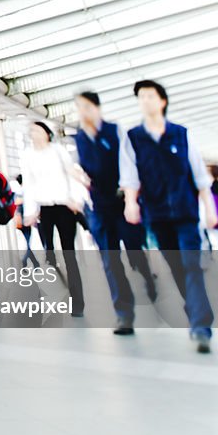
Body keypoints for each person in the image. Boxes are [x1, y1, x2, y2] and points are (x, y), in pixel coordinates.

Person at [120, 79, 218, 353]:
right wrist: (131, 203)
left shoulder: (181, 134)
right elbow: (129, 175)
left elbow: (199, 175)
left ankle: (200, 325)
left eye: (150, 96)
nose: (145, 101)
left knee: (191, 265)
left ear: (162, 101)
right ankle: (196, 309)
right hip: (158, 214)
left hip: (186, 212)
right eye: (141, 97)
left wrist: (210, 209)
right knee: (176, 266)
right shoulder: (133, 138)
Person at [73, 90, 158, 336]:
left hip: (121, 202)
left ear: (97, 108)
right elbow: (86, 169)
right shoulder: (79, 137)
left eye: (87, 107)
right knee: (110, 261)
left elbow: (129, 164)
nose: (83, 112)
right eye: (79, 108)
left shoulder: (116, 131)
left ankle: (148, 278)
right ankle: (124, 314)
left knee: (133, 250)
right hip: (99, 206)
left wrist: (132, 197)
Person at [21, 121, 88, 317]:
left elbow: (71, 174)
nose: (33, 133)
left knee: (69, 253)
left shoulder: (58, 151)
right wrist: (30, 212)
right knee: (48, 254)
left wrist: (75, 200)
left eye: (37, 130)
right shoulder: (28, 155)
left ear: (47, 133)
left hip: (64, 206)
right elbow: (29, 185)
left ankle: (78, 303)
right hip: (44, 210)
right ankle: (59, 291)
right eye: (31, 130)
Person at [13, 174, 40, 268]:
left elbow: (16, 206)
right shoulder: (25, 192)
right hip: (25, 220)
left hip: (20, 221)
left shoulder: (18, 193)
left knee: (27, 242)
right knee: (28, 243)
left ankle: (33, 264)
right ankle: (25, 263)